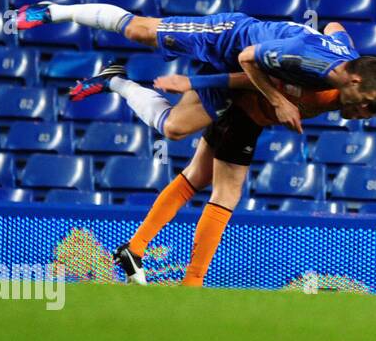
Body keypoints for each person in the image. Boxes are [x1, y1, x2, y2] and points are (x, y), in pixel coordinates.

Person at [113, 69, 342, 287]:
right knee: (226, 193)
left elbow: (334, 26)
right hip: (246, 115)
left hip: (227, 105)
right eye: (367, 109)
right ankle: (192, 281)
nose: (362, 114)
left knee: (195, 175)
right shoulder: (331, 83)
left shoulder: (334, 67)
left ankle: (136, 246)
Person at [11, 3, 376, 135]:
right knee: (142, 30)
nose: (361, 112)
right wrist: (279, 102)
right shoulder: (306, 59)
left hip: (246, 63)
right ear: (355, 80)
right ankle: (54, 11)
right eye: (366, 103)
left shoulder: (345, 54)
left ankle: (116, 83)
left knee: (174, 129)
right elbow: (248, 59)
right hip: (227, 38)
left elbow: (334, 28)